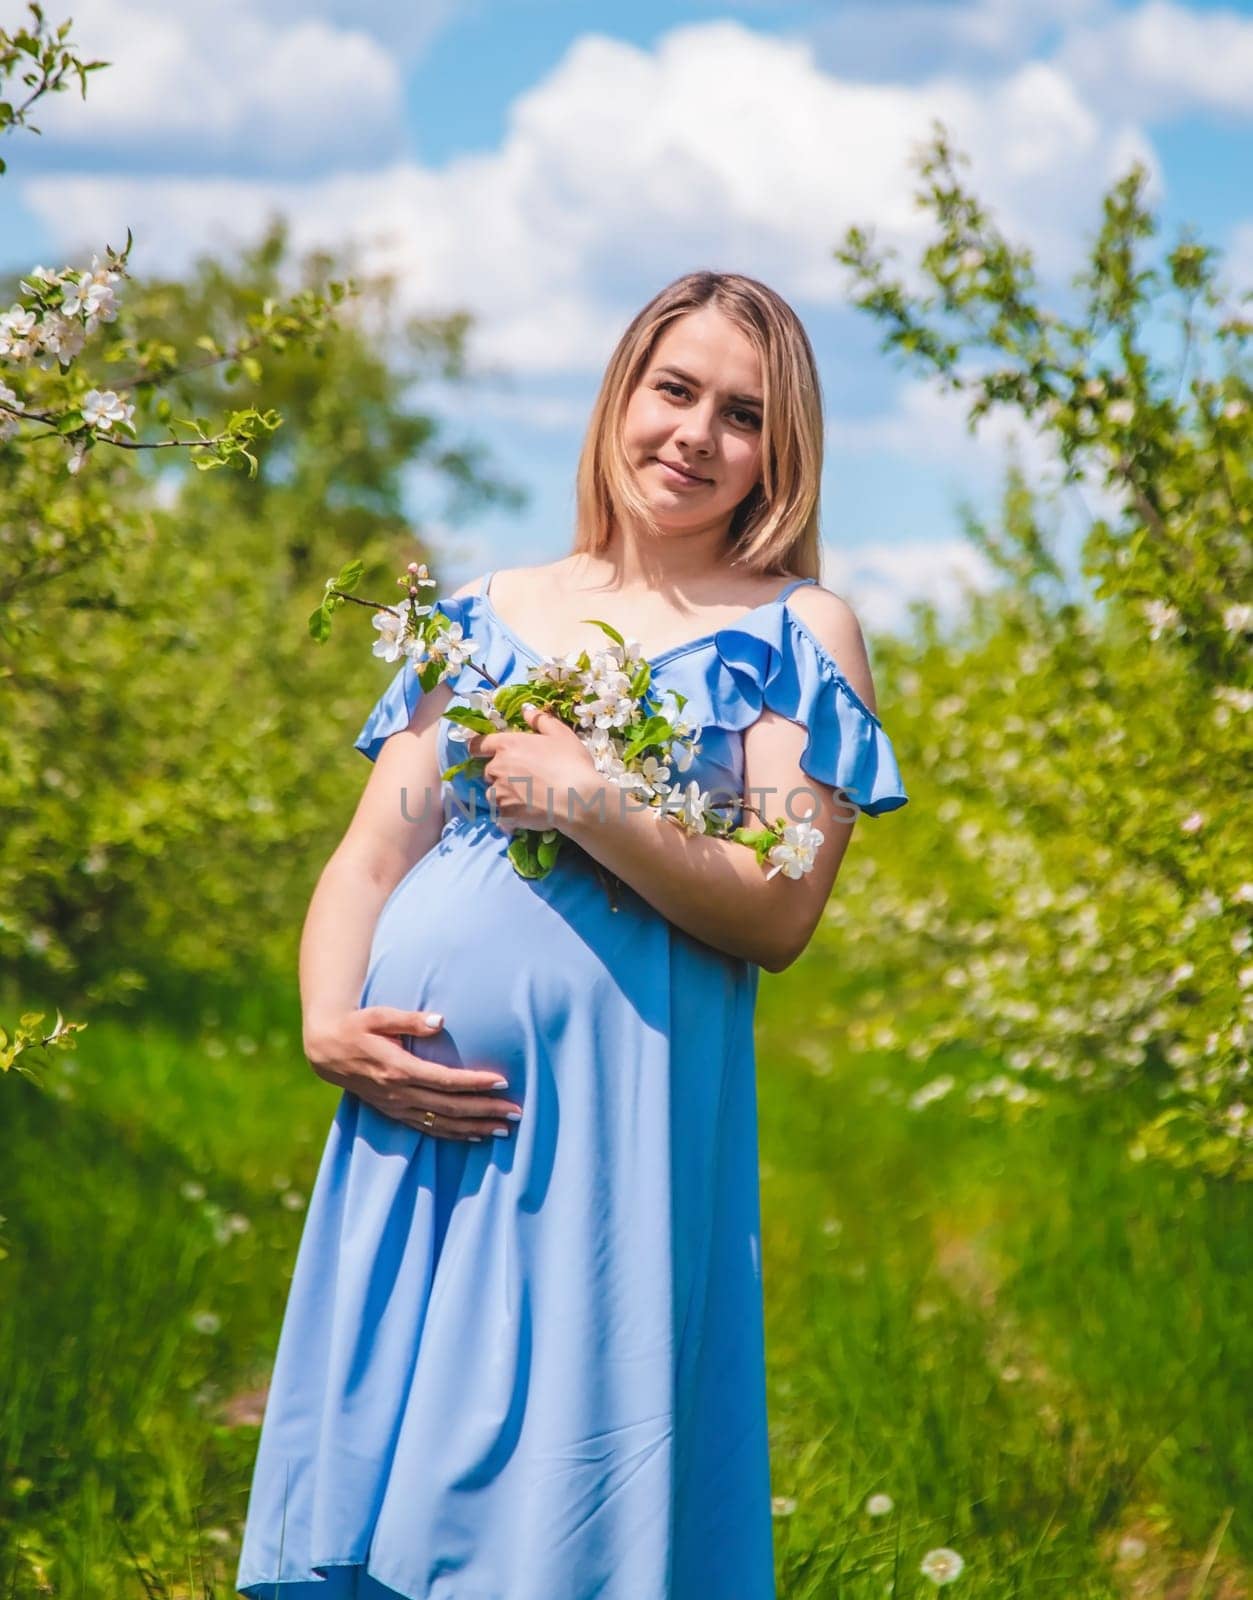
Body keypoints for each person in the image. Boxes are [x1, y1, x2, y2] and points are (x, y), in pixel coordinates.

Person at [235, 270, 909, 1600]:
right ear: (619, 394)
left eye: (742, 414)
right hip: (412, 1108)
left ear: (782, 451)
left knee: (552, 1510)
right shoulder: (485, 611)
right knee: (388, 1484)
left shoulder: (792, 630)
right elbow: (371, 857)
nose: (695, 435)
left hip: (608, 1126)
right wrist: (327, 1023)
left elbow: (779, 910)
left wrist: (598, 803)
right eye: (674, 391)